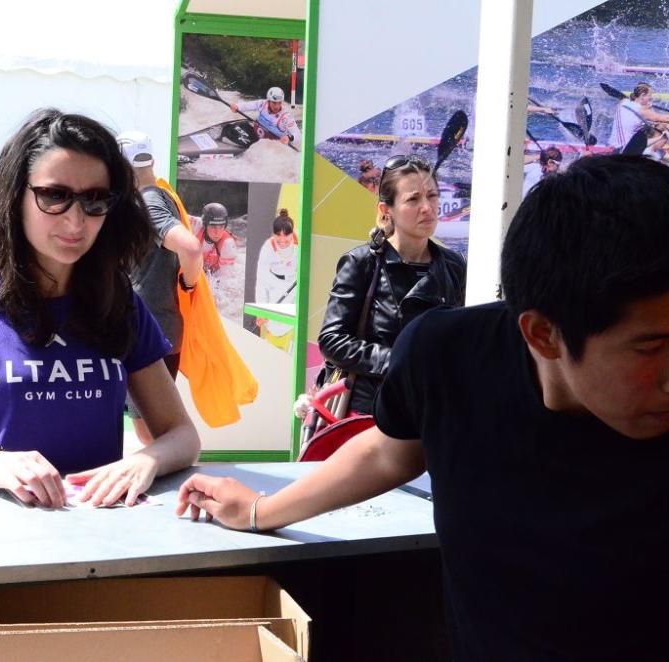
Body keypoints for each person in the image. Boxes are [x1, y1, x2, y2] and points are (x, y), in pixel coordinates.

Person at [178, 154, 669, 660]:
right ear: (543, 334)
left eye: (432, 197)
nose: (428, 207)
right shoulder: (445, 356)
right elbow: (389, 450)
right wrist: (259, 510)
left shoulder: (448, 272)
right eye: (652, 347)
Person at [0, 109, 201, 507]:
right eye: (55, 195)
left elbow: (182, 435)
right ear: (16, 197)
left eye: (96, 199)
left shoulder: (119, 302)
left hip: (102, 545)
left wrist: (146, 460)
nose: (76, 220)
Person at [317, 155, 466, 415]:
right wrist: (397, 360)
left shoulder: (453, 265)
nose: (427, 207)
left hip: (436, 409)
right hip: (371, 412)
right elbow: (332, 340)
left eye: (432, 196)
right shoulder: (362, 262)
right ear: (387, 211)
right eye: (413, 199)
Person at [116, 130, 203, 444]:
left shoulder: (149, 202)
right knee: (150, 431)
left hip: (152, 332)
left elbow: (191, 248)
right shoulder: (156, 195)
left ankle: (173, 489)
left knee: (152, 433)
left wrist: (187, 283)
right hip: (156, 330)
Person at [254, 208, 297, 352]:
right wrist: (261, 310)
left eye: (287, 236)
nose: (283, 240)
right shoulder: (268, 248)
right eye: (279, 236)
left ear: (293, 233)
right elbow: (261, 282)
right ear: (274, 234)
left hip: (295, 285)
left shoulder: (300, 243)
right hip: (274, 287)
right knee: (274, 328)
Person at [607, 81, 669, 152]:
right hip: (625, 151)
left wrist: (648, 108)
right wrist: (649, 108)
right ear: (642, 95)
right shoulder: (642, 110)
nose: (651, 98)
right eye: (650, 95)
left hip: (612, 147)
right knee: (664, 127)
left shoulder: (624, 102)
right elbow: (665, 118)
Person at [229, 87, 301, 146]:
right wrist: (237, 107)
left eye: (279, 103)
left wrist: (289, 138)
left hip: (271, 144)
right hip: (255, 135)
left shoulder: (286, 117)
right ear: (269, 101)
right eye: (274, 103)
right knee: (234, 127)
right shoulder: (263, 104)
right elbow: (248, 105)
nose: (277, 106)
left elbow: (298, 135)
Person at [196, 202, 238, 274]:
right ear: (205, 225)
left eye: (221, 227)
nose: (217, 232)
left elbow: (225, 279)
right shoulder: (195, 225)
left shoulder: (227, 244)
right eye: (213, 227)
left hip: (214, 273)